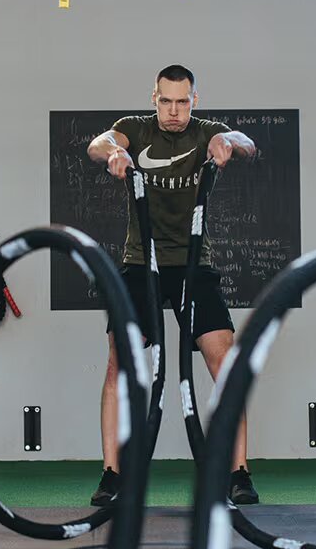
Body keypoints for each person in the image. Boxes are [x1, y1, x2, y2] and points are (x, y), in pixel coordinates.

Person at [86, 64, 259, 507]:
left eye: (183, 102)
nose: (175, 111)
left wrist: (229, 141)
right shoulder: (135, 130)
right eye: (167, 101)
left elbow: (248, 143)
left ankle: (238, 473)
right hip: (141, 262)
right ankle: (112, 475)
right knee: (118, 366)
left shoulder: (207, 132)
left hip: (192, 265)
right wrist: (113, 154)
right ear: (154, 98)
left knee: (226, 362)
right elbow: (98, 142)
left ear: (194, 101)